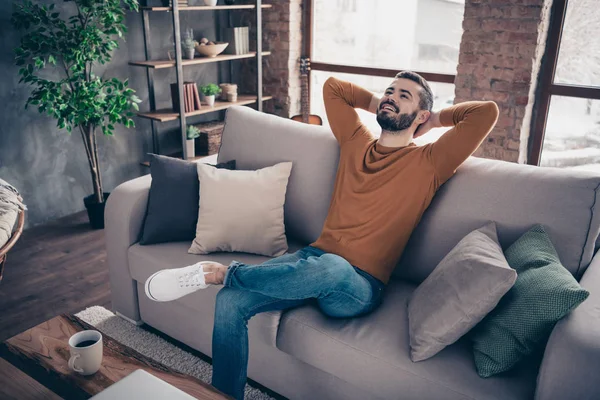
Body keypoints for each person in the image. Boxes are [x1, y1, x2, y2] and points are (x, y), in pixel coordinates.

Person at [144, 71, 499, 399]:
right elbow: (334, 89)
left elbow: (485, 113)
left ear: (420, 115)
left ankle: (221, 273)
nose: (391, 95)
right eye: (388, 90)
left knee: (330, 267)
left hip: (358, 285)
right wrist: (387, 104)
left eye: (404, 95)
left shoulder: (431, 162)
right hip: (308, 261)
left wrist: (433, 119)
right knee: (230, 302)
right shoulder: (356, 142)